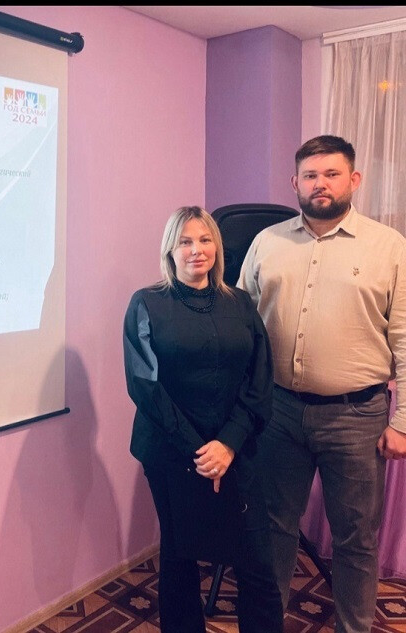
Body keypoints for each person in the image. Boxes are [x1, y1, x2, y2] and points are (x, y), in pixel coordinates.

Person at [238, 135, 406, 633]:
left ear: (353, 180)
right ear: (295, 182)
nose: (320, 184)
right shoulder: (267, 243)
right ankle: (268, 623)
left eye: (331, 174)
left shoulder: (389, 247)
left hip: (356, 417)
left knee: (356, 538)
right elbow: (241, 325)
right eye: (310, 175)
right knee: (273, 528)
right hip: (278, 412)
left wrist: (402, 421)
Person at [124, 206, 283, 632]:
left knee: (257, 561)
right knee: (180, 559)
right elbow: (145, 385)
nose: (197, 250)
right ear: (170, 251)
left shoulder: (240, 303)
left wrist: (227, 444)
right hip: (172, 454)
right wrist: (200, 452)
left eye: (205, 239)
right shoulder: (146, 303)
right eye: (185, 241)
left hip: (236, 449)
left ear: (217, 247)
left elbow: (259, 377)